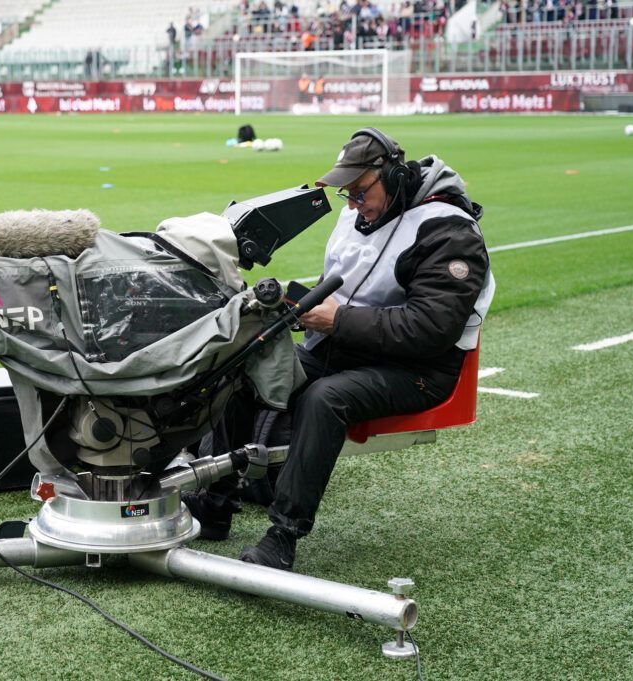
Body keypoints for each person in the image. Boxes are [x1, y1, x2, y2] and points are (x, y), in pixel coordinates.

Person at [184, 128, 496, 570]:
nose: (351, 204)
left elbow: (432, 328)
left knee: (324, 399)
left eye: (359, 191)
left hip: (419, 370)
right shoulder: (359, 212)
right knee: (243, 365)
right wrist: (296, 308)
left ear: (392, 175)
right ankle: (215, 503)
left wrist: (337, 319)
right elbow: (350, 294)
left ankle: (283, 536)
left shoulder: (449, 231)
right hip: (345, 347)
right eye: (346, 194)